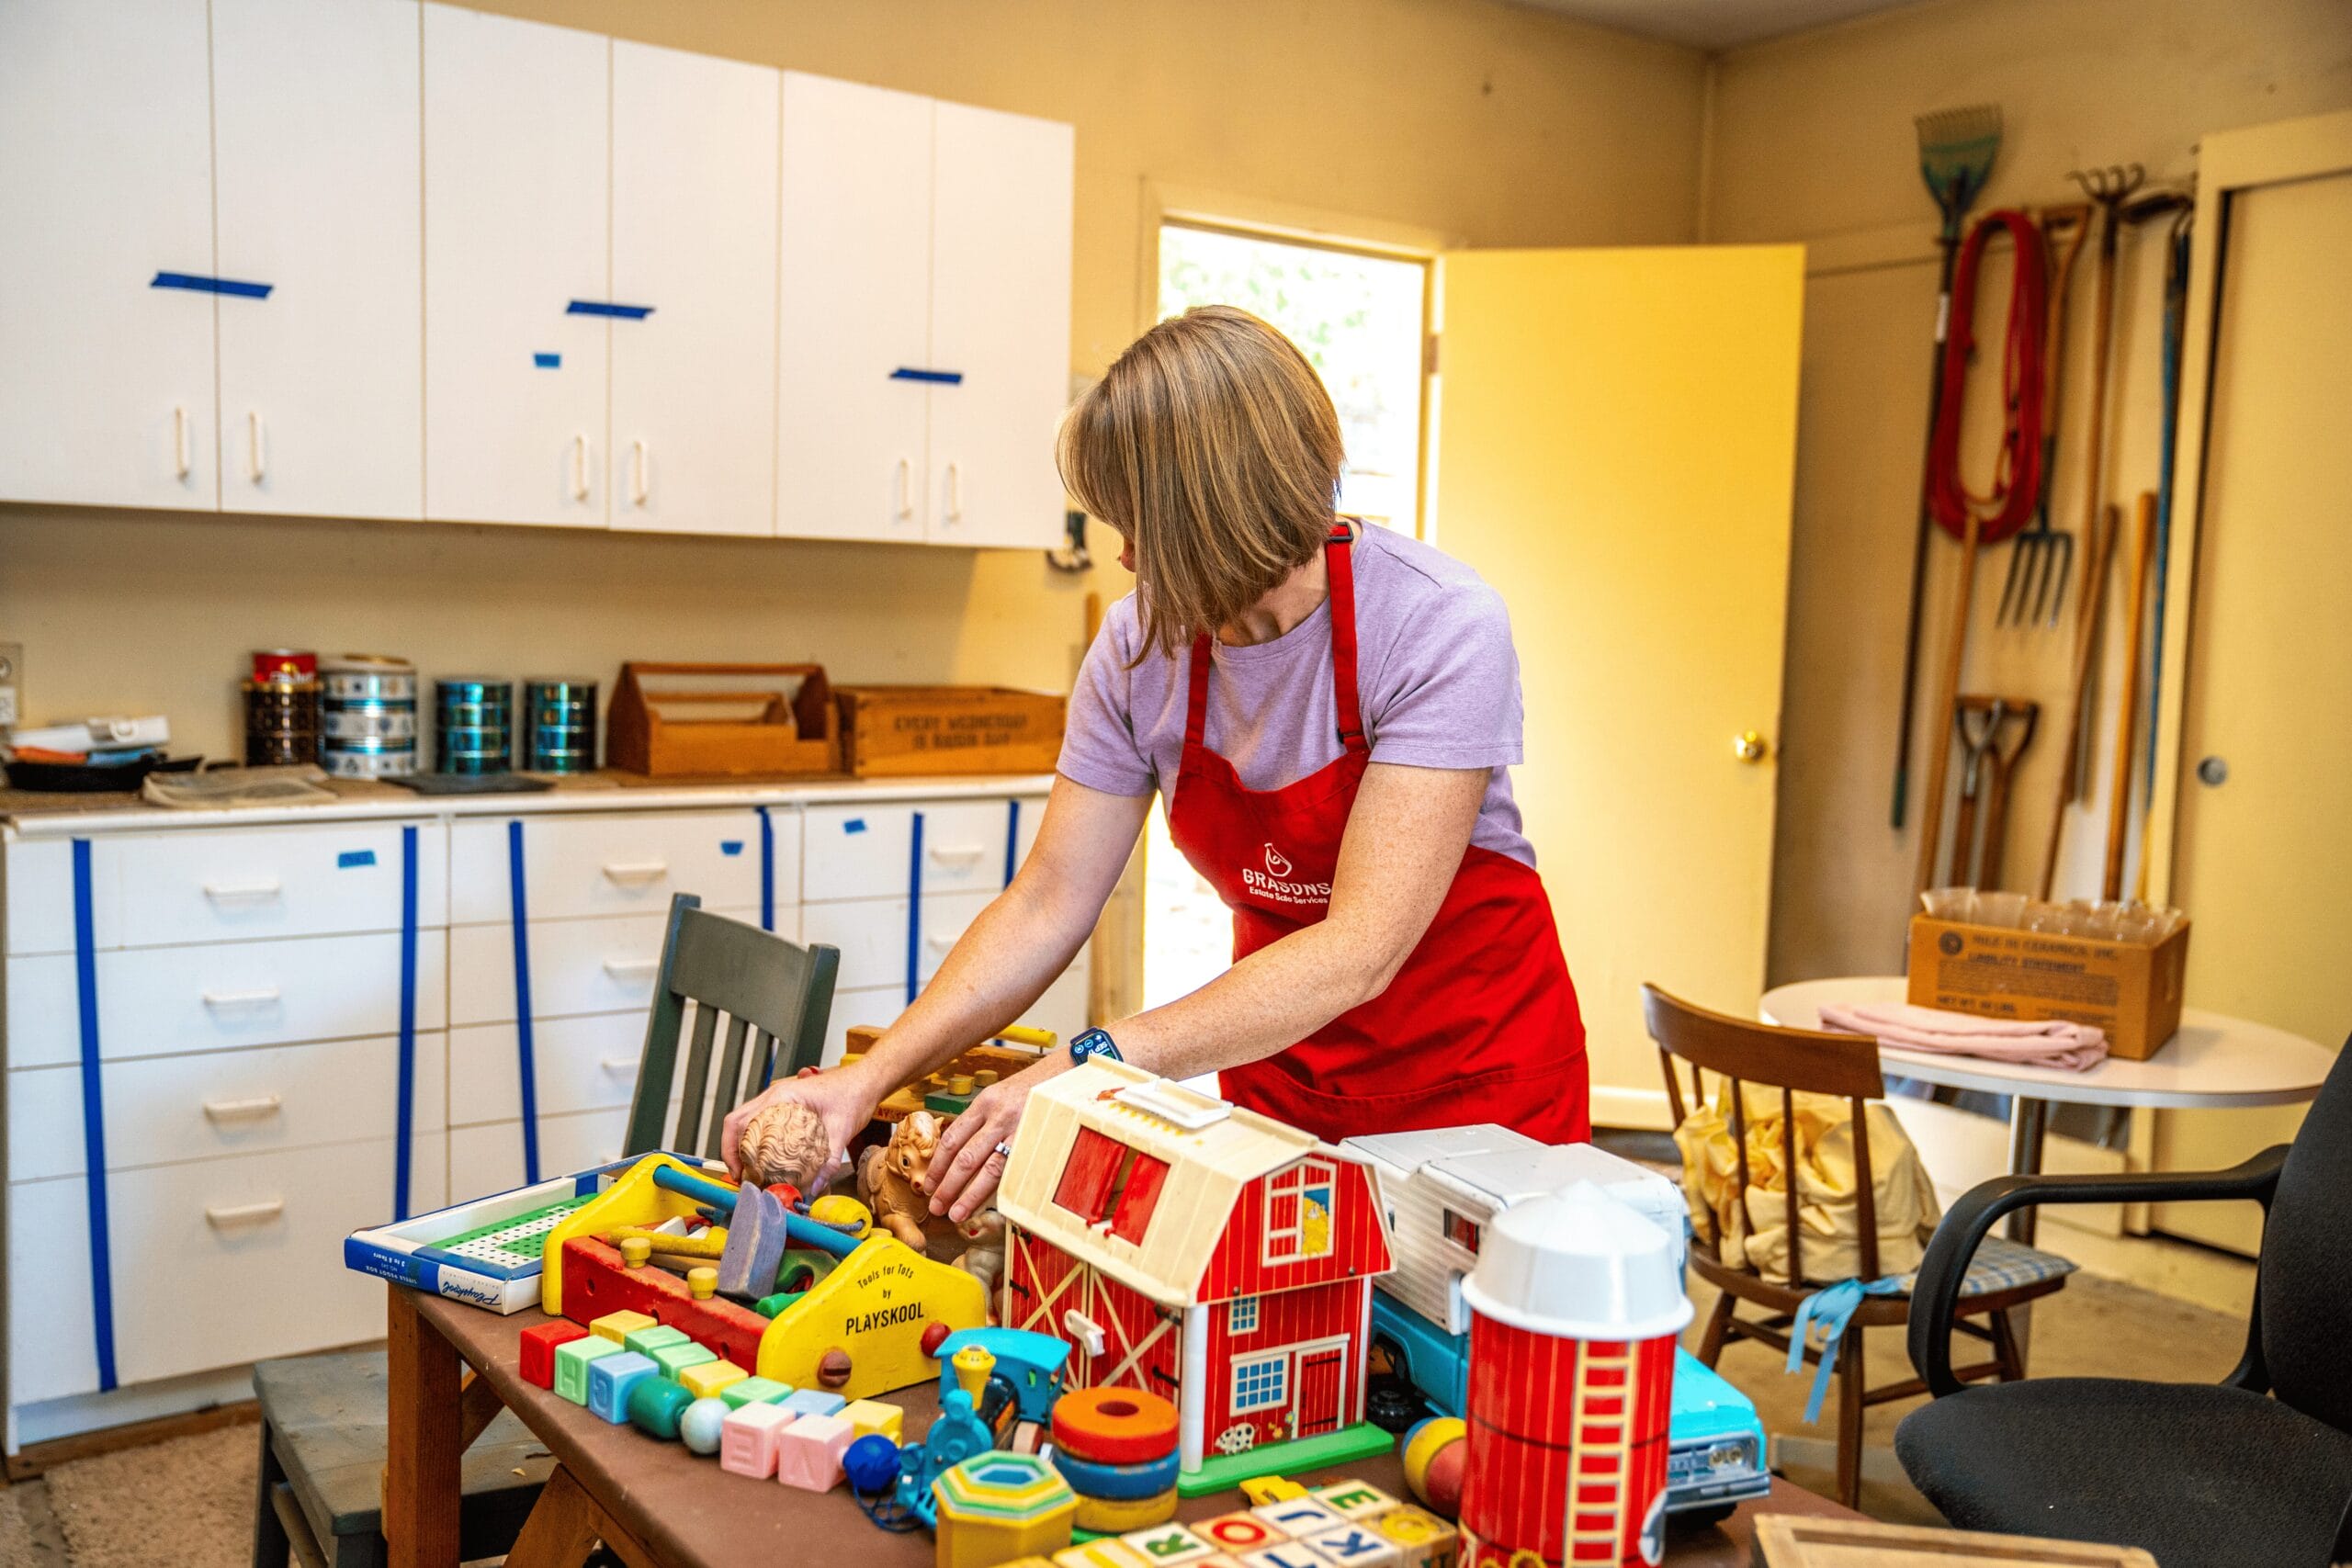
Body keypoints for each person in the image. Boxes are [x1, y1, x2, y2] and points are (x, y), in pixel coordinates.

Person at [723, 304, 1587, 1224]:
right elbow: (1048, 899)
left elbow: (1356, 951)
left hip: (1479, 1094)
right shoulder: (1142, 647)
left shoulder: (1436, 624)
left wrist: (1084, 1068)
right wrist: (866, 1079)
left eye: (1141, 527)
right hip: (1282, 1085)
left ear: (1221, 517)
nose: (1127, 557)